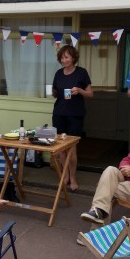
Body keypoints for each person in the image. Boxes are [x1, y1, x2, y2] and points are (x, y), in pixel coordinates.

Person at [52, 44, 93, 191]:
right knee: (61, 149)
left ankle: (73, 177)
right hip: (59, 114)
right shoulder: (58, 73)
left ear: (73, 58)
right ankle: (65, 176)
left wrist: (80, 90)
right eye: (62, 57)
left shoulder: (81, 73)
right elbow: (55, 91)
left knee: (72, 149)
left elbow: (90, 94)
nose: (64, 60)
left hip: (75, 115)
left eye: (67, 57)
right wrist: (54, 93)